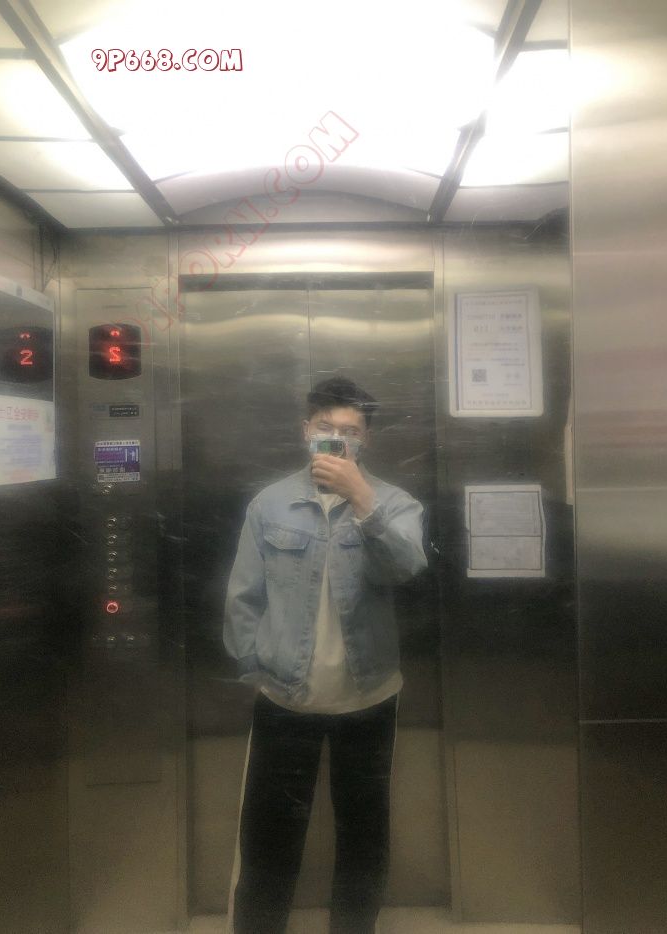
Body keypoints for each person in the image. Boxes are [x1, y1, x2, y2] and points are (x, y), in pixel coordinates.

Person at [224, 376, 427, 934]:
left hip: (369, 697)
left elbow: (406, 569)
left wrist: (364, 502)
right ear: (305, 431)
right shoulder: (270, 504)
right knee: (268, 838)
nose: (338, 439)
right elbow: (243, 596)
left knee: (364, 835)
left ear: (366, 439)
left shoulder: (394, 503)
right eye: (326, 428)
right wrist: (254, 667)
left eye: (351, 431)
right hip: (283, 697)